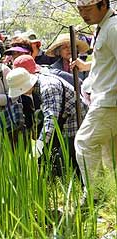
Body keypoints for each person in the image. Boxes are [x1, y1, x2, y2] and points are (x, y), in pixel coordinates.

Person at [7, 66, 86, 176]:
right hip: (63, 121)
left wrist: (40, 143)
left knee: (69, 160)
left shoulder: (48, 87)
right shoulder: (39, 84)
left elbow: (51, 118)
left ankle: (79, 186)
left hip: (74, 121)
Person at [73, 0, 117, 190]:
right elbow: (108, 61)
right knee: (111, 152)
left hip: (110, 100)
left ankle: (96, 195)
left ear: (103, 5)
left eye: (88, 9)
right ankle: (110, 196)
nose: (83, 14)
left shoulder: (113, 28)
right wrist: (86, 66)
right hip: (106, 97)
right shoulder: (105, 26)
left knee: (85, 143)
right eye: (80, 9)